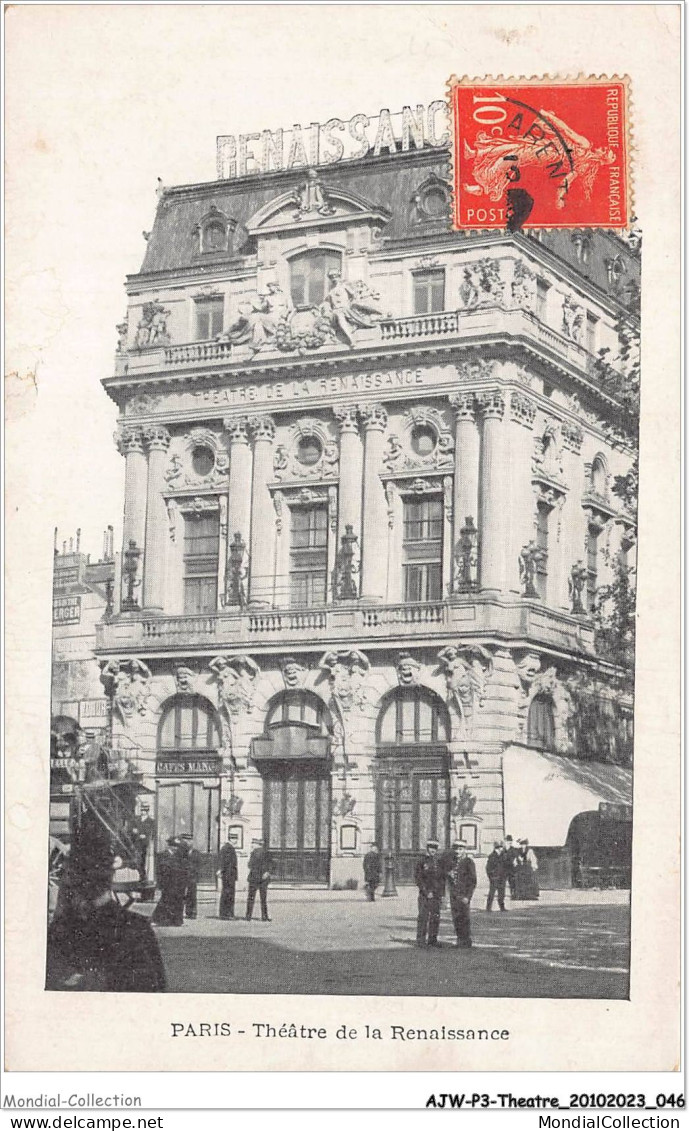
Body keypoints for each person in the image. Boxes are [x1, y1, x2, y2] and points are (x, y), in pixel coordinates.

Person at [46, 814, 165, 993]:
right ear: (110, 876)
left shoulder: (60, 931)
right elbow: (156, 993)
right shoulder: (136, 928)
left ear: (70, 880)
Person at [414, 839, 446, 948]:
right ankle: (421, 940)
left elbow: (442, 879)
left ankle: (433, 939)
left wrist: (442, 894)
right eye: (431, 848)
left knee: (435, 917)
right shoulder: (422, 861)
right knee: (423, 917)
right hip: (425, 895)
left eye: (435, 848)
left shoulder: (439, 862)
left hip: (436, 895)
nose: (433, 850)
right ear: (427, 848)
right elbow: (418, 879)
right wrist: (426, 892)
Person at [446, 840, 477, 948]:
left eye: (460, 849)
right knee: (456, 917)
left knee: (464, 917)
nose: (458, 852)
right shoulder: (452, 862)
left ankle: (466, 941)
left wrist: (468, 897)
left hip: (464, 895)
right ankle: (460, 939)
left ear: (464, 850)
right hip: (454, 894)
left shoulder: (468, 862)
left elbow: (473, 881)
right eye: (456, 849)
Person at [152, 838, 187, 926]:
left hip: (177, 882)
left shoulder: (177, 856)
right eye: (174, 846)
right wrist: (160, 883)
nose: (175, 848)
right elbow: (161, 870)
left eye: (177, 846)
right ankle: (158, 919)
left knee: (177, 901)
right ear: (169, 846)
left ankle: (177, 921)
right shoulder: (164, 855)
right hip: (167, 882)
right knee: (165, 901)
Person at [246, 838, 271, 922]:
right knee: (263, 898)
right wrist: (267, 872)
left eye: (253, 843)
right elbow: (271, 864)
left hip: (254, 878)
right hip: (263, 879)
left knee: (251, 898)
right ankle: (264, 916)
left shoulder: (254, 853)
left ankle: (248, 916)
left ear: (257, 844)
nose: (252, 845)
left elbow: (250, 865)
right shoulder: (266, 852)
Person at [217, 834, 238, 920]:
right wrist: (221, 870)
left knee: (227, 893)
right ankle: (227, 914)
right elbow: (224, 861)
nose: (236, 841)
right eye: (234, 839)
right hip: (228, 875)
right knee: (228, 894)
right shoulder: (228, 848)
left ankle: (225, 914)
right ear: (231, 839)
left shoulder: (227, 847)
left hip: (228, 875)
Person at [180, 834, 201, 919]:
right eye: (186, 841)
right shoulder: (182, 853)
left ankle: (192, 912)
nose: (188, 843)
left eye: (190, 841)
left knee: (192, 895)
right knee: (182, 895)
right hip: (183, 876)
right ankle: (182, 912)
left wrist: (196, 874)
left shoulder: (196, 853)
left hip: (192, 877)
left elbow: (199, 865)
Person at [485, 840, 509, 912]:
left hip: (502, 877)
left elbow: (506, 866)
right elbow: (488, 868)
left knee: (502, 893)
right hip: (494, 877)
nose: (502, 849)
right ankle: (488, 907)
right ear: (497, 848)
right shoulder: (492, 856)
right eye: (501, 847)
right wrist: (491, 876)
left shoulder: (503, 855)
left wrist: (505, 875)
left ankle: (502, 907)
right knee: (492, 893)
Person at [503, 834, 519, 900]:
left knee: (512, 882)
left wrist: (515, 861)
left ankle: (513, 894)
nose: (509, 842)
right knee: (502, 882)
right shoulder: (503, 849)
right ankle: (502, 895)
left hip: (511, 868)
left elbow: (516, 858)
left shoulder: (513, 849)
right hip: (504, 868)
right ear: (505, 841)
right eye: (507, 841)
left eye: (510, 841)